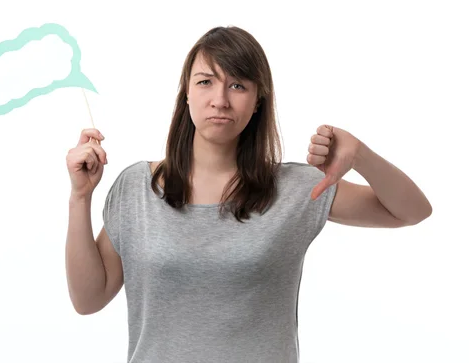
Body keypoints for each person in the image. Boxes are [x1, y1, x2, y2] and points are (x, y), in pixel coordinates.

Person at [65, 26, 432, 363]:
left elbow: (411, 211)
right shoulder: (137, 189)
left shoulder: (296, 189)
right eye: (206, 81)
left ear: (258, 100)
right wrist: (80, 197)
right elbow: (88, 299)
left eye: (238, 85)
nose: (220, 99)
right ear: (187, 94)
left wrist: (360, 154)